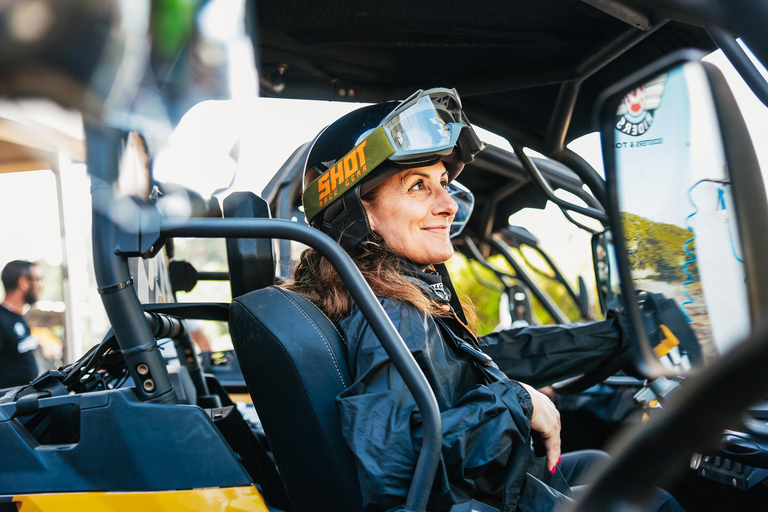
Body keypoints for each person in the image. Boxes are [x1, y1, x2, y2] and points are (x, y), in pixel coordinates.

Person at [284, 89, 682, 511]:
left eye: (444, 183)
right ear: (356, 209)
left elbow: (478, 362)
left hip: (482, 489)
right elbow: (397, 469)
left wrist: (612, 338)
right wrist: (518, 402)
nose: (448, 204)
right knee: (653, 503)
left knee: (599, 465)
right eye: (419, 186)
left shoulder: (393, 298)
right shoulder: (391, 313)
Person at [0, 260, 42, 389]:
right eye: (38, 280)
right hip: (9, 406)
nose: (40, 286)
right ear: (23, 282)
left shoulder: (17, 317)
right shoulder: (2, 319)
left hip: (27, 402)